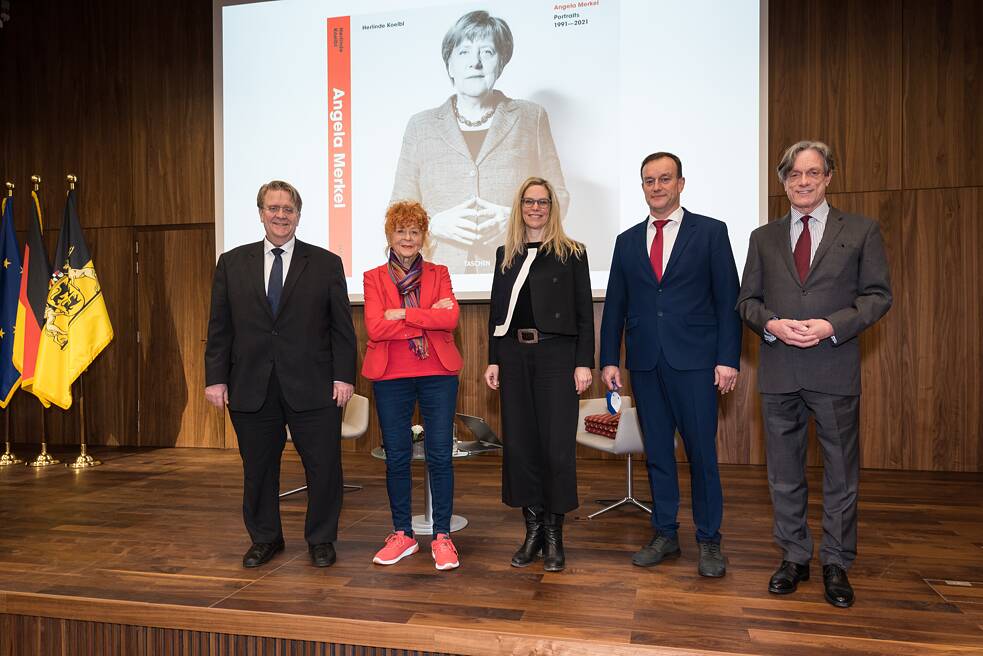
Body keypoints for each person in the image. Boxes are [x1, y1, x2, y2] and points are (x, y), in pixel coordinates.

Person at [737, 141, 892, 608]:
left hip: (833, 367)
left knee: (841, 476)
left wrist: (831, 326)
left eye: (812, 173)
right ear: (783, 182)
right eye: (793, 175)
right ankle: (794, 557)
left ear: (828, 177)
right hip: (780, 371)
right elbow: (746, 302)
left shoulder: (862, 231)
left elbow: (877, 296)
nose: (803, 182)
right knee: (784, 474)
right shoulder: (762, 238)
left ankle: (837, 563)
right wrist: (770, 324)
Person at [599, 152, 742, 577]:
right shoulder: (626, 241)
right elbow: (615, 307)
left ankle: (709, 540)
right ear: (642, 187)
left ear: (681, 183)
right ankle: (664, 533)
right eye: (649, 180)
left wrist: (727, 360)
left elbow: (727, 301)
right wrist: (609, 359)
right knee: (658, 454)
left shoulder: (711, 232)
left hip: (697, 363)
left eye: (665, 179)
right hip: (645, 363)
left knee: (701, 455)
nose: (657, 187)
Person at [204, 180, 357, 569]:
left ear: (298, 215)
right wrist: (215, 378)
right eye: (273, 208)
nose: (281, 215)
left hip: (314, 385)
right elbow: (220, 327)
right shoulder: (232, 263)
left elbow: (341, 327)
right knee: (258, 468)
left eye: (288, 209)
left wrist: (344, 377)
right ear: (260, 214)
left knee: (324, 466)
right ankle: (265, 538)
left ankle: (321, 538)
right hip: (252, 385)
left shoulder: (325, 263)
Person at [390, 10, 568, 274]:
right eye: (463, 52)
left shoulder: (532, 117)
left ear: (502, 61)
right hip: (438, 275)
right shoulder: (420, 126)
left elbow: (560, 197)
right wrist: (432, 224)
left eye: (486, 52)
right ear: (449, 63)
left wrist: (517, 218)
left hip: (518, 269)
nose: (475, 62)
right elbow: (397, 210)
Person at [483, 176, 593, 573]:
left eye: (542, 202)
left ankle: (554, 535)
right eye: (529, 202)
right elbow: (498, 313)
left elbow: (584, 313)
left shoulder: (572, 253)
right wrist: (494, 358)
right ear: (520, 207)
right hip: (514, 357)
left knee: (556, 448)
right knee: (520, 446)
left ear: (552, 206)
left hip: (557, 357)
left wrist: (584, 363)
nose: (535, 208)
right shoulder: (505, 255)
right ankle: (530, 531)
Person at [362, 201, 464, 571]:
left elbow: (450, 318)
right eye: (401, 231)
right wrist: (427, 317)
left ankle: (441, 537)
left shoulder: (440, 272)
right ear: (390, 235)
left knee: (439, 455)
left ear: (424, 237)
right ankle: (402, 534)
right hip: (391, 376)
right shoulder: (373, 277)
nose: (407, 238)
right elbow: (375, 327)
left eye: (415, 231)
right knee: (398, 458)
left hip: (438, 372)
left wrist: (403, 313)